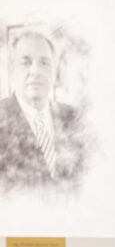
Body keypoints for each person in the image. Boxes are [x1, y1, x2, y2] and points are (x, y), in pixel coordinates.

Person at [0, 30, 89, 192]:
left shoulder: (73, 119)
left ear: (54, 72)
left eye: (44, 63)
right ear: (12, 71)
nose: (35, 71)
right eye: (25, 62)